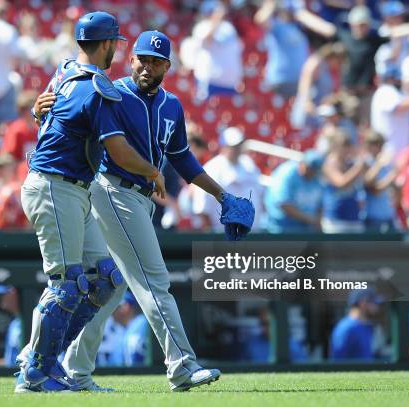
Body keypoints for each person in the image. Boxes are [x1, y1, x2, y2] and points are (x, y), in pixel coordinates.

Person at [36, 30, 229, 393]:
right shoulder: (112, 92)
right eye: (142, 58)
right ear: (132, 58)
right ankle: (182, 366)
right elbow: (69, 120)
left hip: (140, 198)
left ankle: (74, 370)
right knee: (154, 282)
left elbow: (182, 158)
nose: (147, 66)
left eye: (156, 61)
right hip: (113, 189)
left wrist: (221, 195)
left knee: (108, 286)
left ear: (167, 66)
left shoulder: (172, 105)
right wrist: (38, 111)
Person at [15, 11, 135, 393]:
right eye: (114, 42)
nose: (116, 49)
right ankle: (35, 373)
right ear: (105, 45)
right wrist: (152, 172)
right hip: (55, 184)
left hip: (73, 186)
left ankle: (46, 361)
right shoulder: (97, 85)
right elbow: (115, 147)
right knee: (67, 285)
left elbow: (49, 118)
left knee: (105, 280)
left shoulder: (65, 70)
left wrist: (36, 112)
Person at [191, 127, 263, 231]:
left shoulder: (249, 164)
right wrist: (211, 236)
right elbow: (202, 208)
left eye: (239, 145)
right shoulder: (212, 168)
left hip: (251, 233)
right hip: (222, 236)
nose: (237, 149)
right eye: (233, 146)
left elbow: (261, 195)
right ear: (223, 146)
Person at [181, 1, 243, 100]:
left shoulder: (228, 27)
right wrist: (216, 21)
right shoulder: (202, 27)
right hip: (209, 82)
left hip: (230, 83)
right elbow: (206, 42)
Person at [255, 0, 310, 98]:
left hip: (298, 83)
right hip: (279, 81)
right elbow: (260, 20)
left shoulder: (300, 28)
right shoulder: (277, 25)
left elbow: (329, 31)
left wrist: (301, 14)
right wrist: (271, 4)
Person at [264, 149, 324, 233]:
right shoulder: (287, 173)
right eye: (310, 168)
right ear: (302, 163)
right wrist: (311, 220)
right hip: (281, 229)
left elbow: (320, 205)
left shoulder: (316, 178)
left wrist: (317, 224)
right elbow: (283, 204)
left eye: (315, 170)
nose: (312, 173)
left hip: (305, 230)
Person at [321, 129, 366, 233]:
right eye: (344, 145)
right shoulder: (329, 164)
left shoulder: (350, 163)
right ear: (335, 146)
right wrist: (358, 167)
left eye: (348, 145)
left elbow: (366, 182)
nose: (347, 148)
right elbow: (341, 183)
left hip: (354, 218)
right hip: (335, 220)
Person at [330, 288, 383, 361]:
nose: (377, 307)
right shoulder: (347, 328)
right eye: (374, 303)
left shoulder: (367, 326)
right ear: (363, 303)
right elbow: (338, 365)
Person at [362, 130, 398, 232]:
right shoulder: (365, 163)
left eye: (381, 144)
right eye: (375, 144)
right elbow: (375, 190)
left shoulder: (386, 164)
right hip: (373, 218)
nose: (380, 148)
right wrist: (391, 175)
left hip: (389, 216)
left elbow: (395, 188)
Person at [0, 285, 22, 367]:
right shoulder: (14, 323)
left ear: (13, 293)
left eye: (4, 294)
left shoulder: (32, 321)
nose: (1, 298)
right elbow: (10, 361)